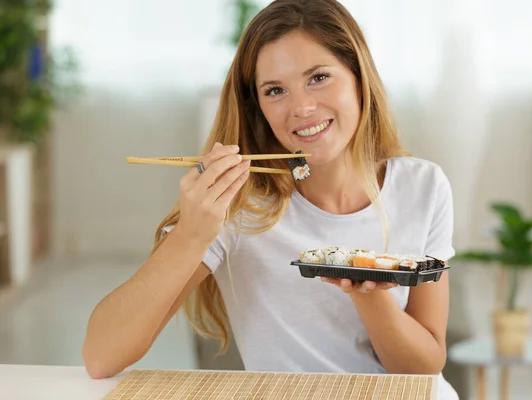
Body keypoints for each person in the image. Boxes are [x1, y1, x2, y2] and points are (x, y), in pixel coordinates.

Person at [82, 0, 458, 398]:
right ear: (257, 107)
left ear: (358, 76)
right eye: (275, 90)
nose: (302, 107)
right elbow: (101, 356)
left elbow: (424, 369)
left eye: (318, 77)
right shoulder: (237, 205)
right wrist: (191, 235)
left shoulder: (425, 186)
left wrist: (368, 291)